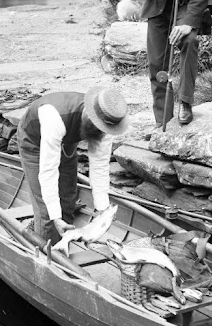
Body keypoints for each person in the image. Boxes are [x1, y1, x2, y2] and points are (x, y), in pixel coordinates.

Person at [17, 86, 129, 244]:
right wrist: (56, 217)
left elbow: (100, 166)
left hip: (65, 142)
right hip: (34, 142)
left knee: (68, 198)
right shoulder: (54, 116)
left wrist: (103, 207)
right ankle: (46, 253)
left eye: (103, 128)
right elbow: (48, 173)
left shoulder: (106, 126)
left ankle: (64, 243)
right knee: (46, 212)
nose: (100, 131)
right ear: (90, 115)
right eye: (98, 126)